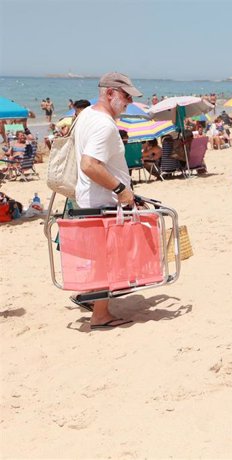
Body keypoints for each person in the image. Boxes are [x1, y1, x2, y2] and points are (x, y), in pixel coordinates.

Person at [71, 71, 142, 330]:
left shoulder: (85, 115)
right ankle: (100, 315)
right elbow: (89, 164)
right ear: (110, 93)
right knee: (105, 258)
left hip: (89, 197)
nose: (129, 102)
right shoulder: (104, 124)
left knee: (97, 256)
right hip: (102, 200)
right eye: (125, 96)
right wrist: (122, 189)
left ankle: (92, 299)